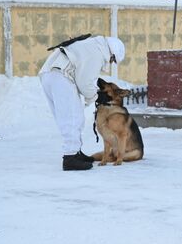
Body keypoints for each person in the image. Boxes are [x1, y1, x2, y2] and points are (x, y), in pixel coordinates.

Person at [39, 35, 125, 171]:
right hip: (60, 76)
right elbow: (85, 83)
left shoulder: (92, 46)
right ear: (111, 52)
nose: (110, 62)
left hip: (50, 74)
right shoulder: (97, 53)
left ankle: (75, 152)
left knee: (70, 116)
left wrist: (93, 95)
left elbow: (83, 78)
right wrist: (97, 97)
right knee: (72, 118)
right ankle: (70, 158)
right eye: (112, 59)